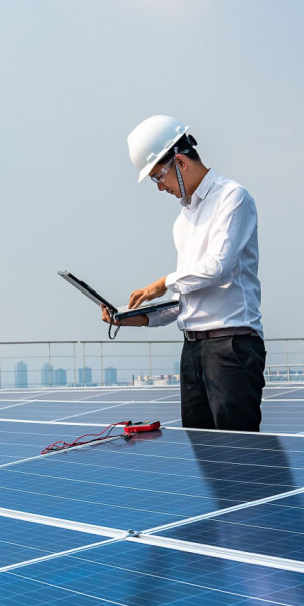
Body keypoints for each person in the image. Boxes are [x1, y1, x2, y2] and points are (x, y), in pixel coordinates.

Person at [102, 115, 265, 432]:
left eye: (158, 177)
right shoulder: (183, 221)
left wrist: (162, 283)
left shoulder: (232, 198)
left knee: (239, 459)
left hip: (231, 347)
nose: (160, 187)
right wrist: (135, 318)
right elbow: (185, 297)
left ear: (180, 161)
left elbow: (218, 267)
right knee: (204, 456)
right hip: (193, 352)